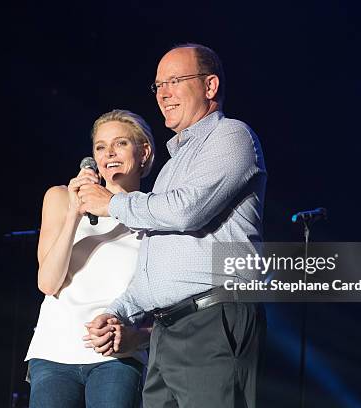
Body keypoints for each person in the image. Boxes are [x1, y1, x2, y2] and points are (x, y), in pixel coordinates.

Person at [79, 44, 268, 407]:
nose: (163, 93)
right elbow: (157, 262)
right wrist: (119, 310)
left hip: (213, 319)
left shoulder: (231, 136)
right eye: (157, 86)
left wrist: (113, 203)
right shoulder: (170, 168)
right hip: (167, 331)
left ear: (210, 86)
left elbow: (188, 211)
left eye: (175, 81)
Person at [24, 109, 156, 408]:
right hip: (54, 352)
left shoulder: (154, 214)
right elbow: (48, 282)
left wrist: (136, 337)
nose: (109, 153)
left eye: (120, 143)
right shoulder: (60, 197)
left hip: (117, 358)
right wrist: (75, 211)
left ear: (144, 151)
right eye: (100, 146)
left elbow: (165, 309)